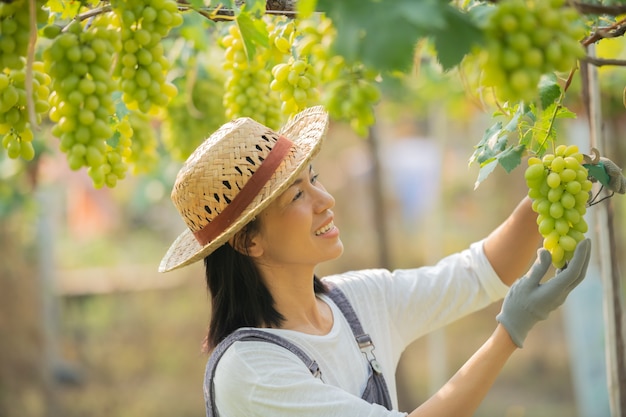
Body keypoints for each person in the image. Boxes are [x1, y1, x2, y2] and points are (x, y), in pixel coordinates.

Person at [158, 106, 592, 417]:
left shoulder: (358, 301)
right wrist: (509, 332)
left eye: (314, 180)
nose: (325, 201)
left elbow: (475, 274)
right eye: (296, 196)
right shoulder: (250, 371)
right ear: (249, 242)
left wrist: (553, 195)